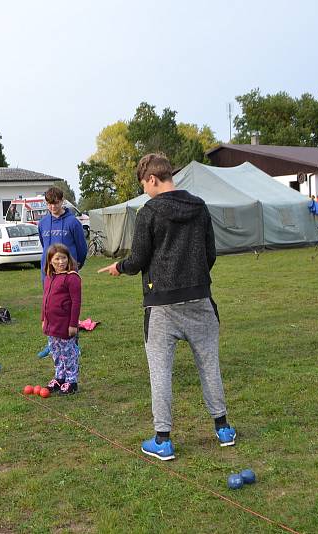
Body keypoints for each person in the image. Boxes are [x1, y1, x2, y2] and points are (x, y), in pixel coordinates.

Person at [98, 153, 235, 461]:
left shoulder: (149, 212)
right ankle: (223, 428)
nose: (144, 191)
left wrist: (119, 267)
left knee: (160, 373)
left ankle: (163, 440)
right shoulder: (199, 207)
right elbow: (210, 254)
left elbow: (138, 259)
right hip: (201, 301)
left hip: (162, 307)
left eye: (143, 185)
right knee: (209, 366)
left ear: (153, 179)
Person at [36, 186, 87, 358]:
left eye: (56, 203)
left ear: (62, 201)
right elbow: (45, 246)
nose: (53, 207)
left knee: (68, 307)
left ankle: (73, 343)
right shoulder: (42, 223)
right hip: (49, 275)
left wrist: (74, 266)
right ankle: (52, 344)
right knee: (52, 307)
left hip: (67, 274)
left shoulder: (73, 222)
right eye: (49, 204)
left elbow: (82, 249)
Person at [41, 243, 82, 395]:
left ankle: (71, 381)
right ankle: (60, 377)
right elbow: (45, 300)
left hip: (65, 325)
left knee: (68, 353)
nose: (61, 262)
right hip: (52, 325)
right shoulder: (49, 278)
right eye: (57, 259)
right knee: (56, 352)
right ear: (50, 260)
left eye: (63, 258)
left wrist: (73, 324)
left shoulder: (72, 278)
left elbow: (76, 303)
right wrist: (43, 319)